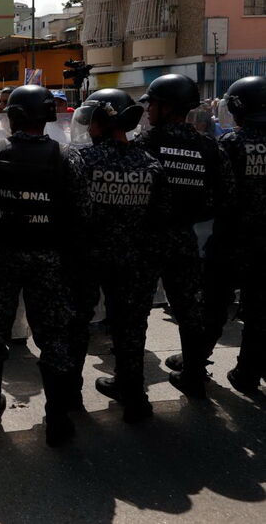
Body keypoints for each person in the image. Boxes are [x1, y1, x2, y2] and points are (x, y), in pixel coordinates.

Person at [0, 85, 89, 447]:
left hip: (2, 256)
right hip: (49, 259)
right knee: (53, 339)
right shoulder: (66, 157)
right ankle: (56, 419)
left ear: (14, 115)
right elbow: (82, 215)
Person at [68, 89, 169, 422]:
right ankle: (133, 394)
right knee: (131, 327)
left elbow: (71, 211)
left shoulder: (82, 160)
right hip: (134, 259)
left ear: (101, 123)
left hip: (88, 257)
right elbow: (159, 217)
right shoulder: (150, 164)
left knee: (78, 323)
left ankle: (69, 395)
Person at [135, 74, 235, 398]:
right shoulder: (208, 147)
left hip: (146, 241)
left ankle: (131, 385)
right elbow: (225, 197)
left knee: (135, 312)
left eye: (151, 104)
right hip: (183, 239)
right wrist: (192, 215)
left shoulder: (145, 144)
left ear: (166, 107)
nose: (147, 110)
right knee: (189, 310)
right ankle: (193, 374)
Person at [195, 76, 266, 394]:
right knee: (260, 312)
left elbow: (213, 196)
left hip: (230, 241)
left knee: (212, 306)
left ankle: (195, 364)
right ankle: (248, 373)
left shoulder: (230, 144)